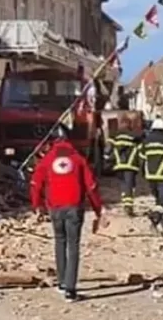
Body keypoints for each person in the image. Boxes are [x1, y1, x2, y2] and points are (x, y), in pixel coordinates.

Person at [30, 125, 107, 303]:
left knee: (59, 242)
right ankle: (70, 290)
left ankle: (62, 283)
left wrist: (37, 207)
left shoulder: (47, 160)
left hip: (55, 208)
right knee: (73, 246)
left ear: (53, 142)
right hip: (74, 207)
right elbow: (91, 187)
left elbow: (35, 184)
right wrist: (98, 210)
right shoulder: (78, 159)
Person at [104, 115, 142, 216]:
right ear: (130, 125)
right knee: (130, 185)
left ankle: (126, 203)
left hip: (119, 165)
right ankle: (128, 206)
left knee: (124, 185)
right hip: (131, 166)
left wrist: (107, 159)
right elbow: (141, 150)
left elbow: (108, 149)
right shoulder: (135, 136)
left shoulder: (114, 136)